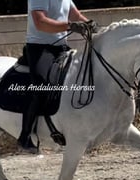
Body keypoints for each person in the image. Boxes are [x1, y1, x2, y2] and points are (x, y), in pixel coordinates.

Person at [18, 0, 95, 153]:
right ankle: (25, 136)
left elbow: (76, 14)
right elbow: (40, 22)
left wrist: (90, 25)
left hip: (61, 48)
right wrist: (70, 26)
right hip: (40, 49)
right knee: (41, 87)